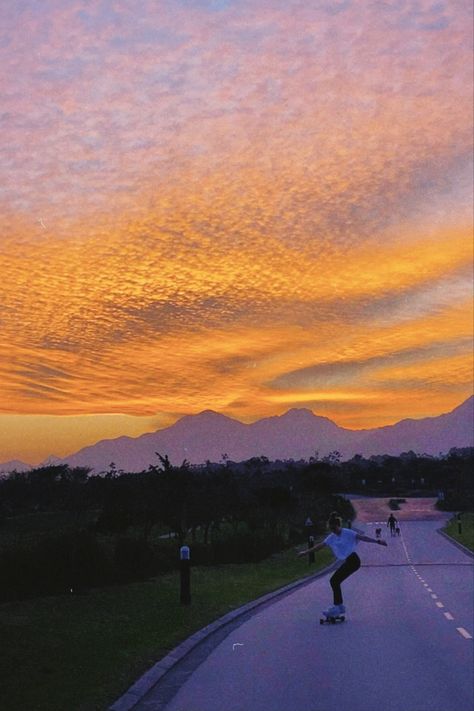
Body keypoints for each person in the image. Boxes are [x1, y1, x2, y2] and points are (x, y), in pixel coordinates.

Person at [298, 511, 387, 617]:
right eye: (331, 529)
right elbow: (320, 546)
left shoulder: (347, 532)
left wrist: (377, 541)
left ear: (339, 526)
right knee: (335, 581)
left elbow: (362, 537)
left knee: (334, 580)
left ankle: (337, 606)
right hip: (349, 561)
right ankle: (339, 606)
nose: (334, 531)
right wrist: (305, 552)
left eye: (335, 528)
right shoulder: (331, 537)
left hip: (354, 561)